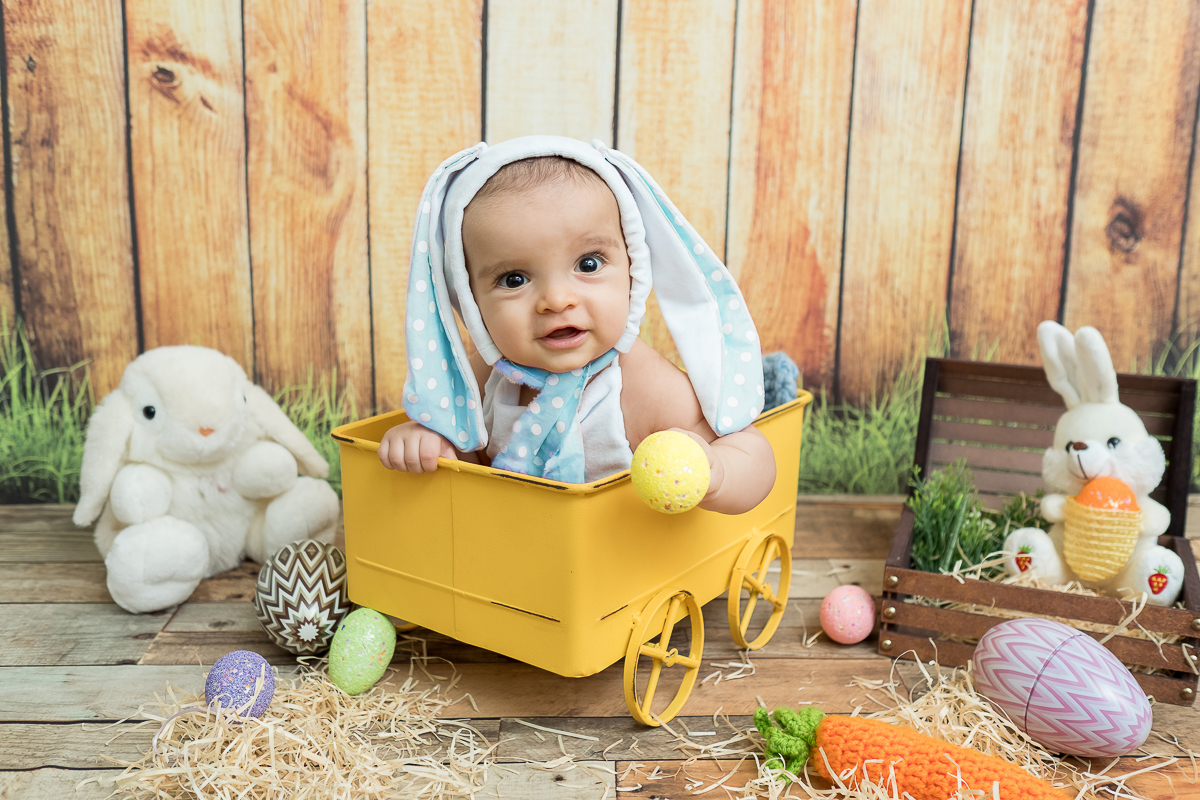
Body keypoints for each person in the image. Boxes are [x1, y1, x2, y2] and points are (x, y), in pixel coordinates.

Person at [377, 136, 775, 514]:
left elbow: (749, 449)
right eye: (514, 279)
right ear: (470, 300)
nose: (557, 299)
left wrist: (715, 473)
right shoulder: (481, 379)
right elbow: (474, 467)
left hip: (623, 549)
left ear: (633, 270)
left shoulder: (639, 382)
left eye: (588, 264)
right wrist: (432, 441)